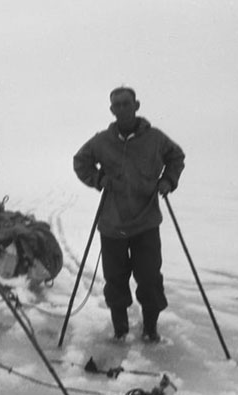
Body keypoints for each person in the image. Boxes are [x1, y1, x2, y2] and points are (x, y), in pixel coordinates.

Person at [73, 87, 185, 343]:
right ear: (111, 110)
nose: (122, 109)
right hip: (112, 224)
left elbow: (176, 157)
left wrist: (168, 180)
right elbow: (80, 161)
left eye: (126, 104)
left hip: (146, 222)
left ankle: (150, 329)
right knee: (115, 279)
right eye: (117, 105)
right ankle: (120, 330)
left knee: (149, 278)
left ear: (136, 105)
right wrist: (99, 179)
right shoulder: (101, 141)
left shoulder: (155, 138)